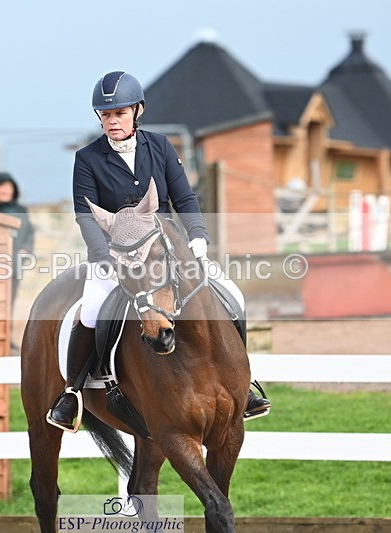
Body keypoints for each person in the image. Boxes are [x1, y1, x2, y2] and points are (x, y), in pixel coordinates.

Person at [47, 71, 270, 431]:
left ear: (137, 111)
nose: (112, 121)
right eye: (105, 115)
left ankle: (244, 385)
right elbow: (85, 215)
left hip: (166, 252)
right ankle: (72, 393)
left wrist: (197, 234)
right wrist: (104, 256)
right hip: (115, 254)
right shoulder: (88, 158)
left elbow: (183, 197)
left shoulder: (161, 146)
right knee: (90, 309)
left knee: (232, 293)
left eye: (118, 113)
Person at [0, 171, 35, 309]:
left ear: (14, 190)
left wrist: (25, 251)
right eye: (2, 187)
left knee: (8, 304)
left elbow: (29, 234)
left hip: (13, 266)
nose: (5, 191)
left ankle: (6, 329)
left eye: (9, 187)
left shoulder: (21, 210)